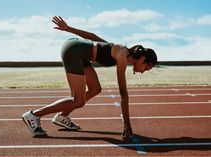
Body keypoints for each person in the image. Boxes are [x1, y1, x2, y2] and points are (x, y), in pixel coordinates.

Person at [22, 16, 157, 140]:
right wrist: (127, 126)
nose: (144, 71)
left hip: (81, 53)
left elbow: (92, 37)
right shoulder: (122, 55)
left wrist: (68, 28)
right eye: (146, 68)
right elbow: (123, 93)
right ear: (143, 59)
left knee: (95, 89)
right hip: (74, 51)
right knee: (78, 101)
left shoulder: (121, 52)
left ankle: (62, 116)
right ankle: (33, 115)